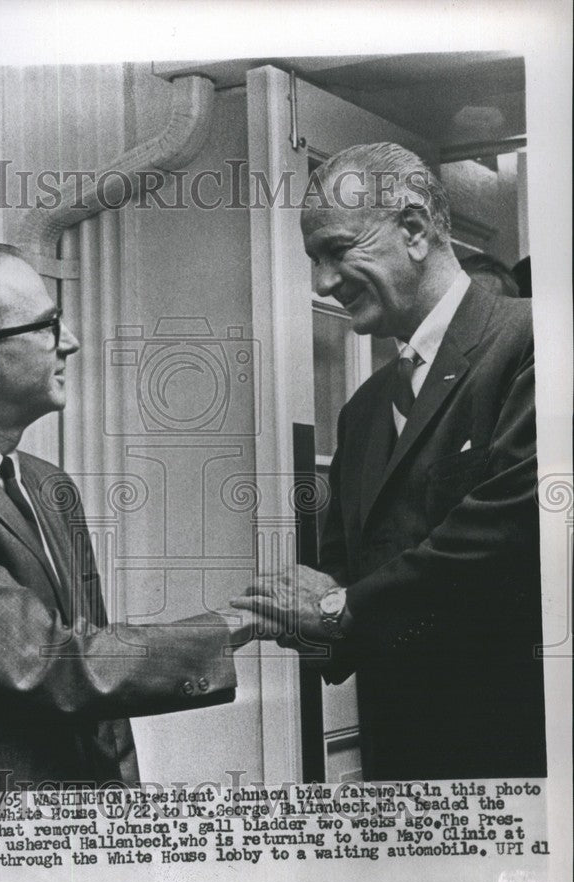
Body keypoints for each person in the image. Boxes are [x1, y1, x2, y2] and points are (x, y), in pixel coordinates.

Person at [0, 242, 257, 794]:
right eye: (47, 325)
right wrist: (239, 622)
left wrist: (125, 814)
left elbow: (96, 672)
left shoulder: (49, 485)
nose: (71, 342)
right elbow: (48, 663)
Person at [234, 143, 546, 780]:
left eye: (336, 250)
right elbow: (341, 575)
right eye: (312, 261)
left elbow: (515, 530)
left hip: (521, 763)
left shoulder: (538, 338)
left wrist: (337, 608)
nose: (321, 283)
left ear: (414, 230)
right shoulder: (364, 411)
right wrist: (291, 614)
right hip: (397, 773)